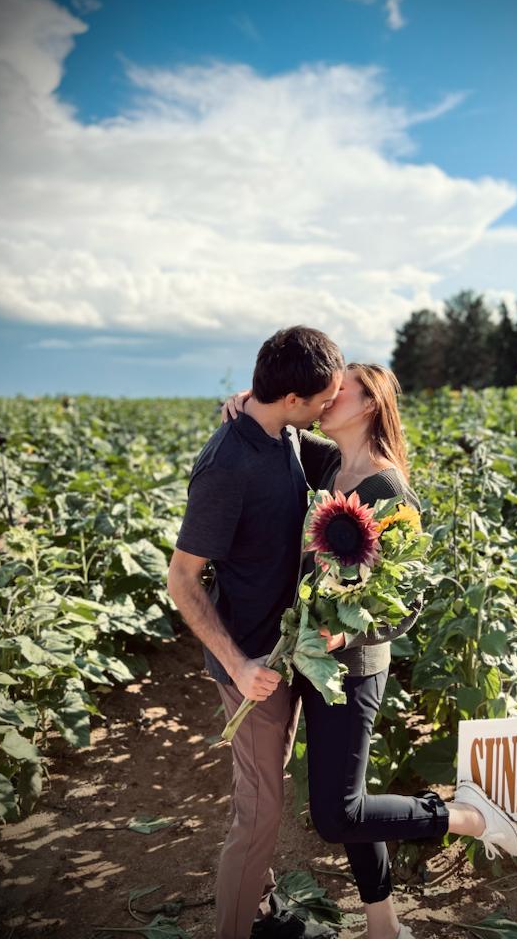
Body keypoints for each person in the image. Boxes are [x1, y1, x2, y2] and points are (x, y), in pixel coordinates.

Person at [223, 363, 517, 939]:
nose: (327, 399)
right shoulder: (331, 460)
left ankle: (466, 816)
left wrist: (345, 635)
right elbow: (279, 421)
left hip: (353, 667)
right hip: (312, 661)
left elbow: (406, 602)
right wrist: (248, 398)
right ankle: (385, 925)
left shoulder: (387, 489)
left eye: (341, 392)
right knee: (349, 798)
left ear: (368, 405)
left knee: (339, 815)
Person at [167, 325, 344, 939]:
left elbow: (335, 447)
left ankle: (262, 911)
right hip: (250, 663)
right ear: (293, 397)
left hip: (280, 652)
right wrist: (239, 665)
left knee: (261, 793)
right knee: (261, 809)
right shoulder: (226, 465)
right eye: (324, 399)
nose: (330, 408)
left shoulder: (286, 433)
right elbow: (183, 579)